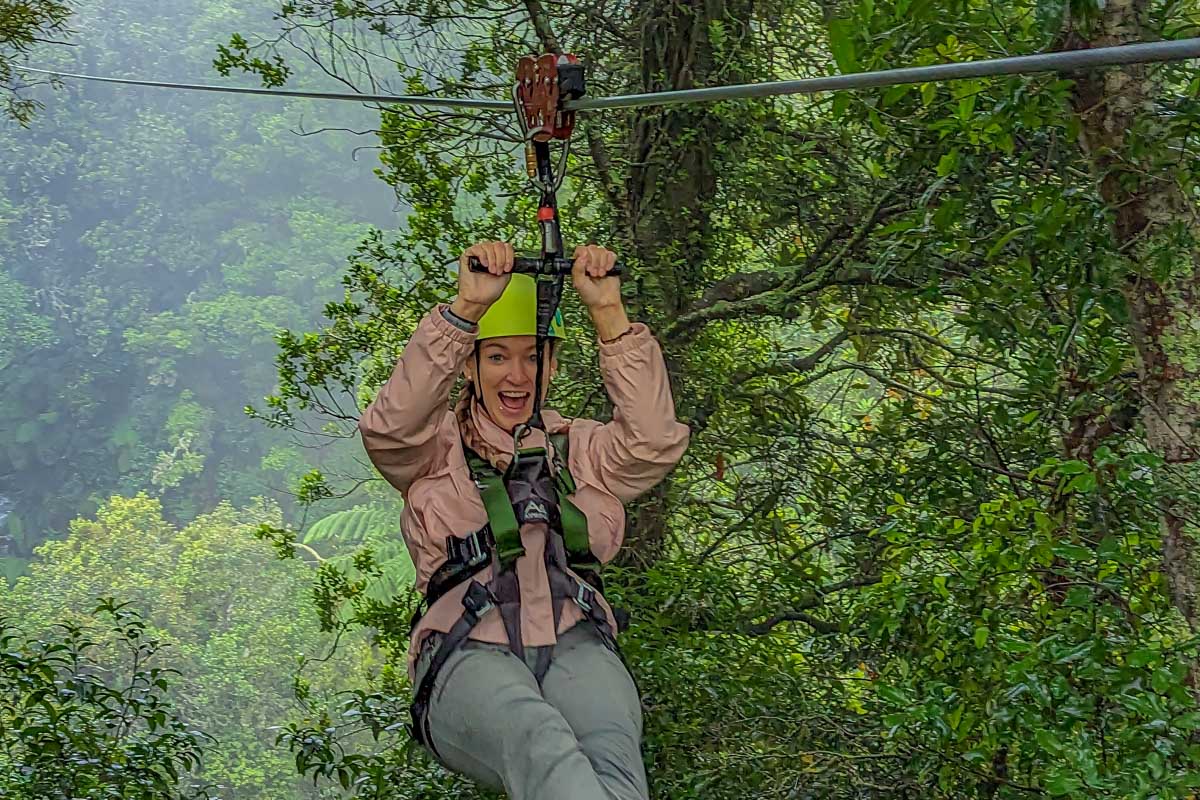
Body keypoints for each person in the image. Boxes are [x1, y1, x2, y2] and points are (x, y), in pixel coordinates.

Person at [358, 240, 689, 800]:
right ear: (469, 364)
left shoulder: (579, 451)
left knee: (615, 765)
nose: (517, 375)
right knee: (539, 739)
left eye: (533, 356)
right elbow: (390, 430)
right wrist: (464, 313)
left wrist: (609, 313)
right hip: (464, 654)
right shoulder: (434, 451)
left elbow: (654, 443)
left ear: (553, 364)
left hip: (574, 643)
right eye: (497, 356)